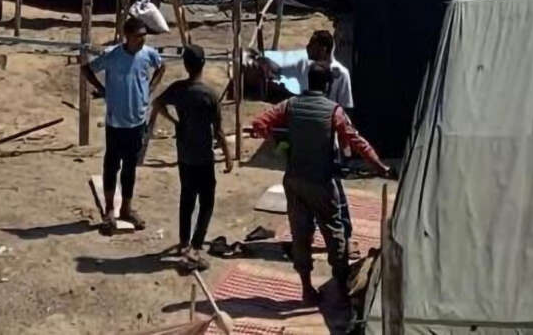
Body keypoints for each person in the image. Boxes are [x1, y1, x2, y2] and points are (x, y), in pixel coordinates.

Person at [250, 63, 391, 302]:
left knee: (300, 233)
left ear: (308, 81)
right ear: (327, 85)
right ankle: (339, 285)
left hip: (293, 180)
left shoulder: (289, 105)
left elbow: (259, 124)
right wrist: (379, 166)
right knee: (334, 229)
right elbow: (356, 141)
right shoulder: (333, 111)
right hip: (321, 181)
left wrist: (280, 145)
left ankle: (306, 288)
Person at [261, 30, 354, 244]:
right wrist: (267, 66)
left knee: (332, 189)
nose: (307, 49)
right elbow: (280, 72)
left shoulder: (341, 74)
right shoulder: (305, 67)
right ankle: (306, 236)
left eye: (311, 45)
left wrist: (345, 146)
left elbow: (346, 112)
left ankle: (344, 234)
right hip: (303, 141)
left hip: (326, 143)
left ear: (322, 48)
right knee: (304, 190)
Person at [146, 45, 233, 267]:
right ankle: (195, 247)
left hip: (184, 154)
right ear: (203, 64)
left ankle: (184, 242)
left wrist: (175, 121)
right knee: (206, 203)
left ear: (185, 65)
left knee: (187, 199)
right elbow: (219, 130)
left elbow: (157, 103)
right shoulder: (209, 95)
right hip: (204, 156)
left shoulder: (178, 89)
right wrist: (229, 156)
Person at [82, 17, 165, 233]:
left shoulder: (148, 54)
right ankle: (110, 210)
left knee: (130, 168)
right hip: (115, 122)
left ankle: (127, 208)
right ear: (126, 36)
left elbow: (161, 67)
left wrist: (150, 88)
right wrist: (102, 90)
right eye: (138, 36)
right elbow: (87, 69)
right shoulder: (113, 56)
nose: (142, 40)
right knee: (111, 166)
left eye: (144, 36)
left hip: (137, 122)